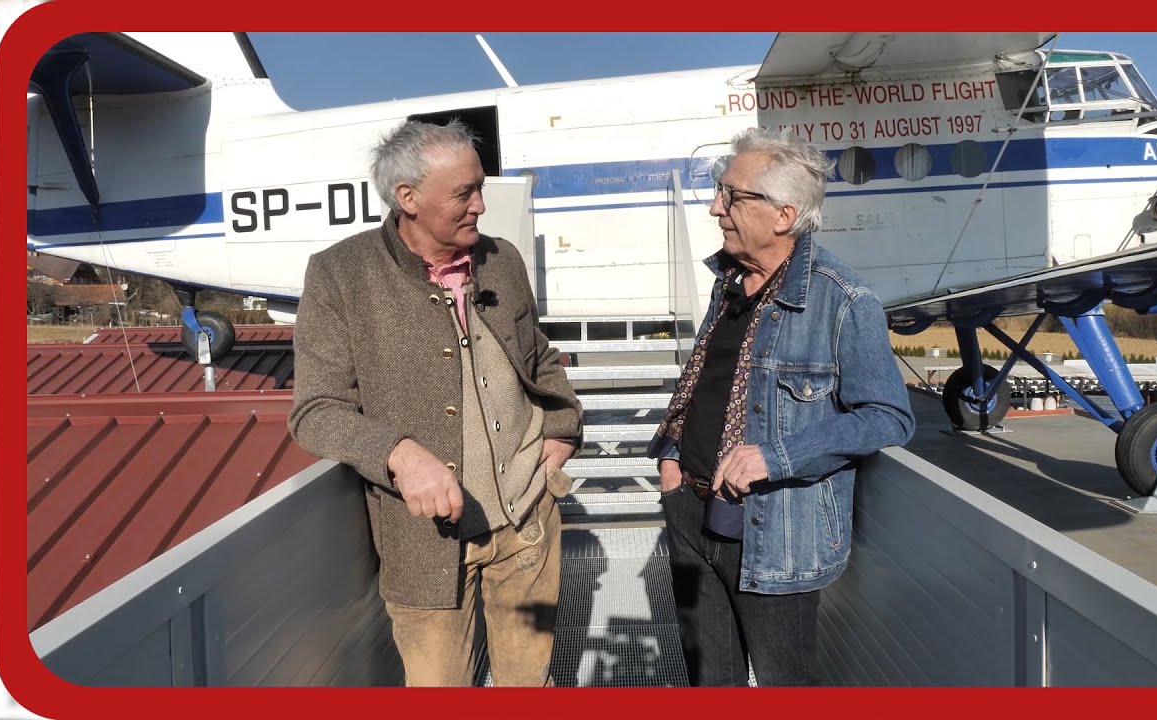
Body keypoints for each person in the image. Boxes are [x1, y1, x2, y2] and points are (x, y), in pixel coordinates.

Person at [288, 119, 582, 687]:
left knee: (530, 685)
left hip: (529, 523)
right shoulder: (341, 274)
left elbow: (539, 356)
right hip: (426, 545)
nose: (480, 205)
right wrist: (398, 452)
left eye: (481, 188)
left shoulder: (504, 261)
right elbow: (315, 410)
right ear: (408, 199)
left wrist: (562, 428)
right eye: (464, 193)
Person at [648, 127, 915, 687]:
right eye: (720, 191)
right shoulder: (730, 281)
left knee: (782, 682)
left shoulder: (843, 300)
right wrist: (672, 455)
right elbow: (705, 381)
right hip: (691, 512)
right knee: (709, 680)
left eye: (732, 196)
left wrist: (777, 456)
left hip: (773, 532)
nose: (716, 207)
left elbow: (889, 415)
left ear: (783, 215)